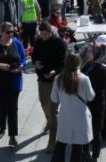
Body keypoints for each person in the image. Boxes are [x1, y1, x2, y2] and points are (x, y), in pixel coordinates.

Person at [0, 22, 26, 147]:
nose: (11, 34)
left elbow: (23, 59)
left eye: (12, 32)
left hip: (14, 81)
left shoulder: (17, 43)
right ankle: (2, 128)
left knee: (13, 109)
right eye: (8, 32)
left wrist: (21, 67)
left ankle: (12, 136)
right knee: (1, 107)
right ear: (0, 32)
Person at [50, 53, 95, 162]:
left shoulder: (58, 79)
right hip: (81, 117)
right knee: (77, 148)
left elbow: (54, 99)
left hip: (65, 117)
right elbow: (90, 97)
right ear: (79, 63)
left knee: (60, 145)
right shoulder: (84, 79)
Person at [31, 22, 68, 152]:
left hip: (56, 81)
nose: (43, 36)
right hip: (42, 79)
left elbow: (64, 63)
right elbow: (33, 55)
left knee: (53, 111)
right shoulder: (38, 41)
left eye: (45, 34)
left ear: (51, 32)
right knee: (43, 103)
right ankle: (49, 120)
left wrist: (55, 72)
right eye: (41, 34)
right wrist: (35, 62)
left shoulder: (60, 43)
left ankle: (52, 141)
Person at [82, 43, 106, 161]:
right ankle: (85, 152)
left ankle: (95, 155)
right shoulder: (88, 65)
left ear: (96, 53)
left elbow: (100, 87)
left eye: (90, 52)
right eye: (87, 51)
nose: (87, 54)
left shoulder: (102, 69)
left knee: (96, 129)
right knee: (84, 128)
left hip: (97, 103)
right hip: (85, 102)